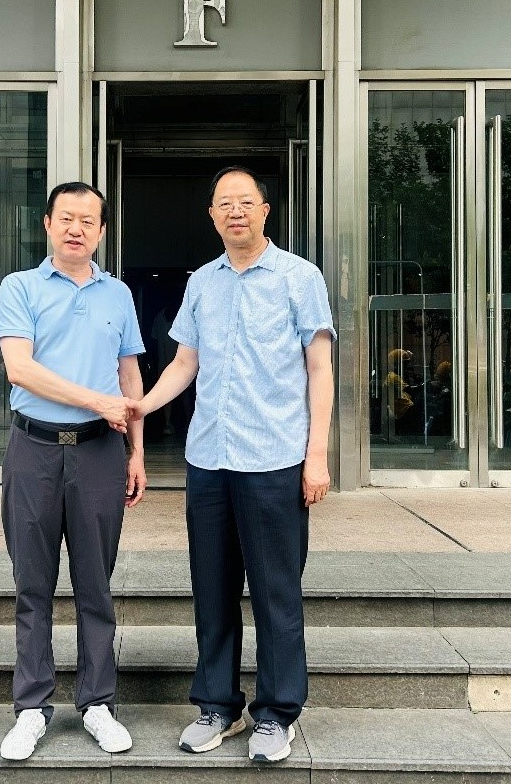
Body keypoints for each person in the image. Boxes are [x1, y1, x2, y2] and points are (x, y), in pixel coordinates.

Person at [132, 166, 335, 764]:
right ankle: (218, 705)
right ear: (212, 215)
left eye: (246, 202)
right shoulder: (202, 282)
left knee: (276, 593)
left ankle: (277, 713)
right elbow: (184, 362)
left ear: (265, 211)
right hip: (209, 459)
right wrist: (142, 405)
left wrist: (317, 456)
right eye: (225, 204)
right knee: (213, 591)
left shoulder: (300, 277)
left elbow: (320, 368)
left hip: (275, 458)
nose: (236, 212)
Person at [0, 181, 146, 761]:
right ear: (48, 224)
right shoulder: (20, 287)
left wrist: (136, 451)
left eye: (88, 220)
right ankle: (31, 707)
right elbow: (21, 369)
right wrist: (95, 400)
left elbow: (129, 376)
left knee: (95, 584)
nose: (76, 228)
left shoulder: (118, 294)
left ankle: (97, 703)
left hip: (100, 452)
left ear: (101, 231)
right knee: (32, 583)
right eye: (66, 218)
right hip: (33, 449)